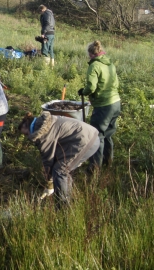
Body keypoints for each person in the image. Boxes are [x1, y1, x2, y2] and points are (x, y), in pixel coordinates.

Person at [17, 111, 99, 208]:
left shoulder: (43, 136)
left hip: (85, 142)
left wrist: (49, 183)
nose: (28, 137)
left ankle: (63, 206)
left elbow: (48, 160)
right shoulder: (48, 121)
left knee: (60, 170)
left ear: (29, 127)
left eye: (26, 134)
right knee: (63, 168)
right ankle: (68, 197)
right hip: (88, 136)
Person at [78, 41, 121, 172]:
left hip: (104, 106)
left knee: (97, 136)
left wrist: (83, 91)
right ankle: (108, 162)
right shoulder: (110, 64)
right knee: (107, 134)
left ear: (91, 54)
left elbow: (91, 87)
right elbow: (116, 83)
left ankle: (95, 168)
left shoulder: (94, 65)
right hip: (116, 103)